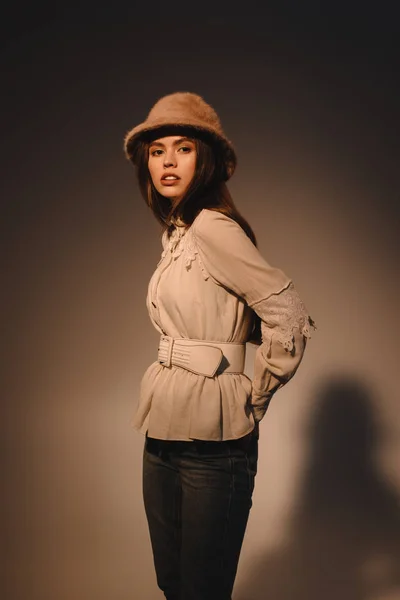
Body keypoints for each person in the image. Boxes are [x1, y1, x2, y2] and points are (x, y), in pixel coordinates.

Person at [123, 92, 315, 600]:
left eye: (182, 147)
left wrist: (257, 392)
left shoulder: (212, 227)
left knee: (202, 590)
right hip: (162, 434)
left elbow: (287, 312)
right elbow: (239, 316)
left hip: (215, 444)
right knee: (174, 584)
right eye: (157, 149)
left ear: (204, 159)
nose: (166, 160)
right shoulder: (178, 233)